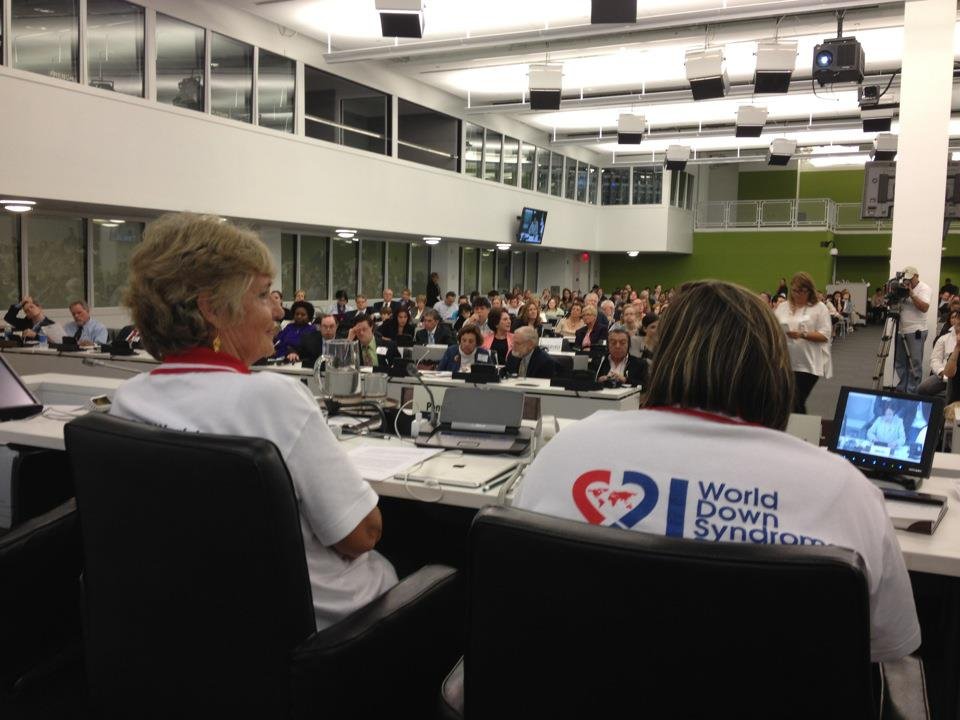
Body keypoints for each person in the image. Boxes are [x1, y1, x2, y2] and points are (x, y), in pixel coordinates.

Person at [514, 279, 920, 664]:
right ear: (773, 367)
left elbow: (524, 606)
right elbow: (887, 648)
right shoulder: (845, 492)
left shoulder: (564, 454)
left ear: (663, 358)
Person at [109, 213, 397, 631]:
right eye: (263, 296)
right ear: (212, 309)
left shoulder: (129, 400)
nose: (275, 314)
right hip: (323, 630)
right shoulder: (272, 397)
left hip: (193, 622)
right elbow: (363, 535)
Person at [774, 272, 832, 414]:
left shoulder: (819, 308)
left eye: (802, 291)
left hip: (808, 364)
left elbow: (825, 335)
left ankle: (800, 432)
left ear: (809, 291)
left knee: (796, 401)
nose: (797, 294)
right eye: (794, 290)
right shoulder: (782, 307)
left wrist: (802, 334)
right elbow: (773, 326)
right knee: (784, 402)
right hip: (784, 362)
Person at [894, 266, 932, 394]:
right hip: (901, 329)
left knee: (914, 363)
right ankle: (901, 389)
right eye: (906, 279)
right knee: (900, 362)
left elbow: (924, 307)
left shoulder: (924, 288)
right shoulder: (901, 288)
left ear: (917, 276)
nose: (908, 281)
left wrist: (912, 294)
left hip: (916, 330)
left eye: (910, 278)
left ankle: (912, 392)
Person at [918, 310, 960, 396]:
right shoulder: (943, 339)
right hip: (944, 374)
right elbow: (935, 360)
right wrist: (941, 372)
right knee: (923, 388)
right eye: (956, 319)